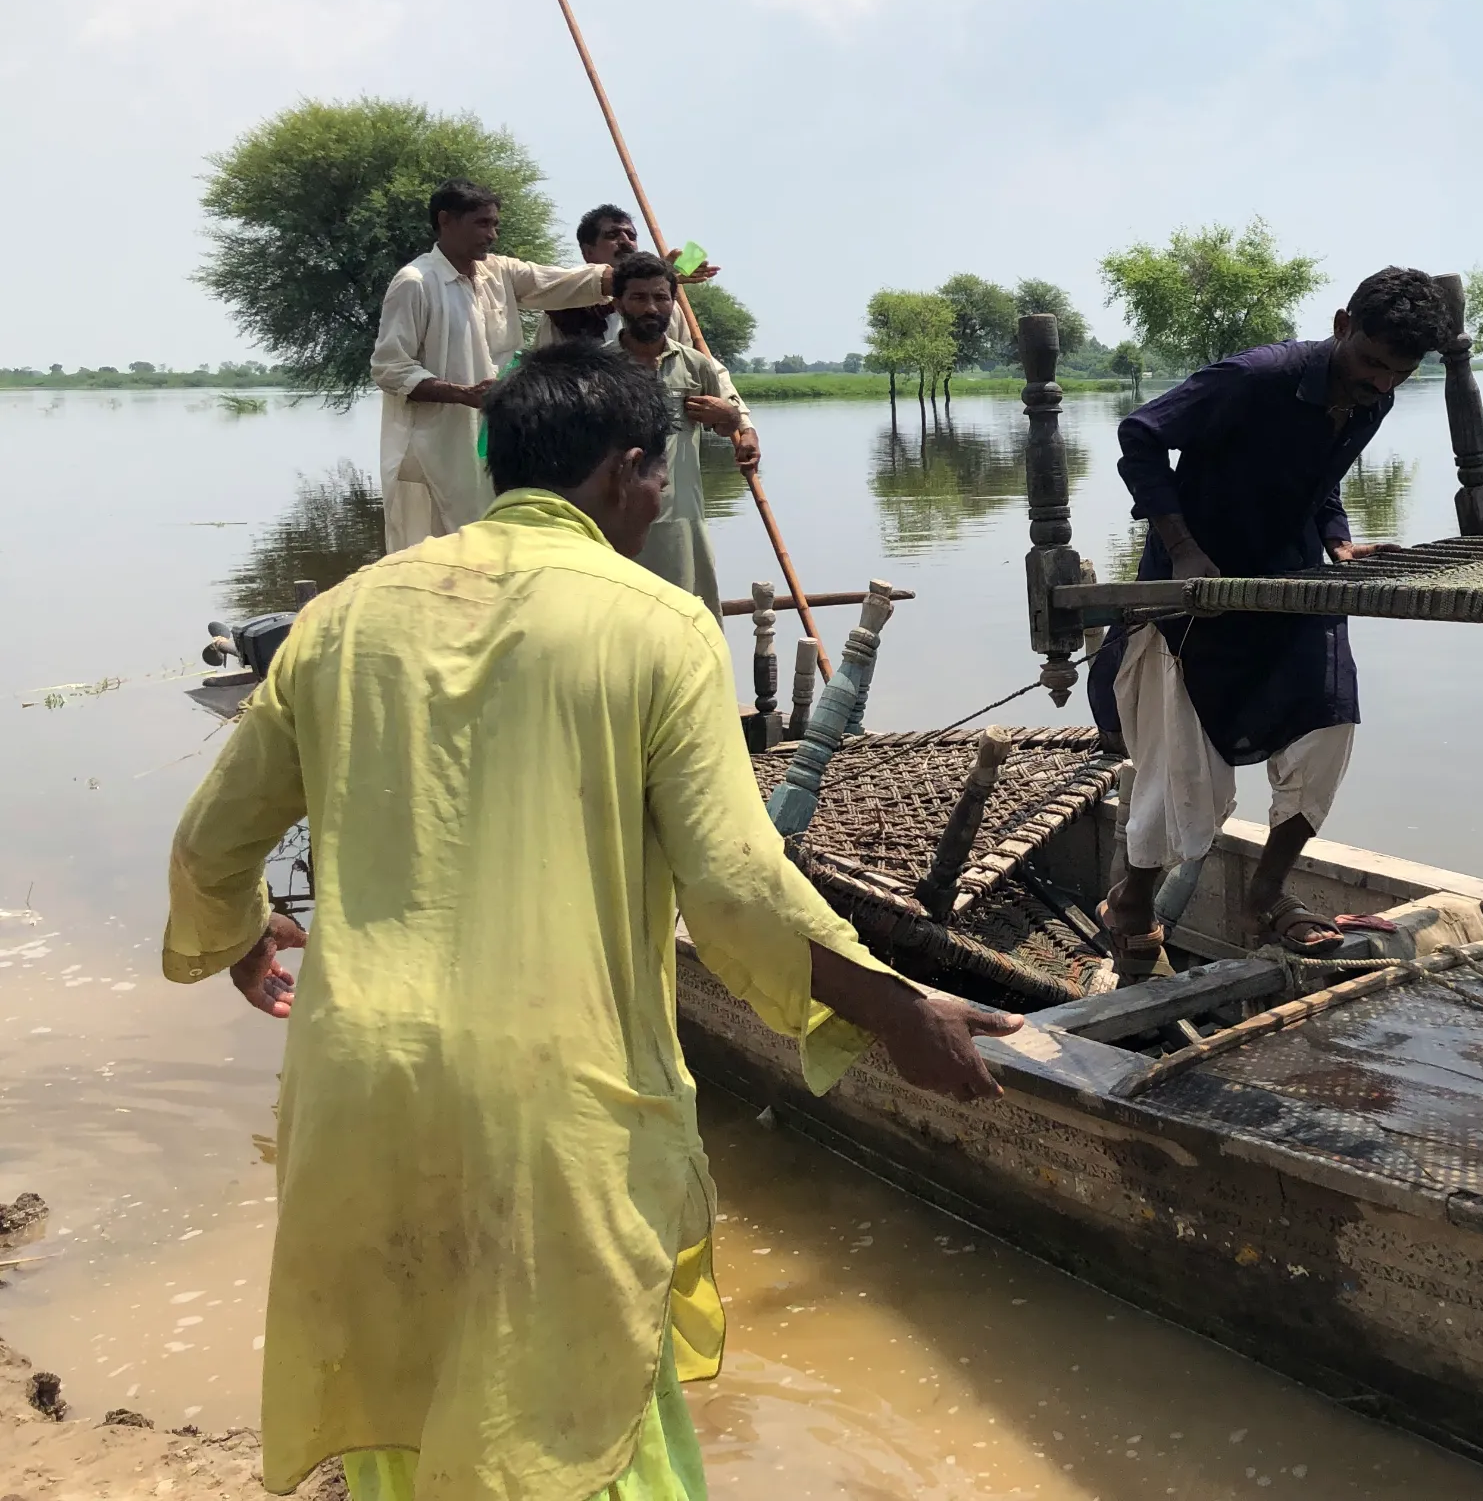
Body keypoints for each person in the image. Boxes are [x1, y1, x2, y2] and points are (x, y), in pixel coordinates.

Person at [163, 342, 1019, 1501]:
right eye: (663, 477)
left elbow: (215, 844)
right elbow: (732, 882)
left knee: (410, 1410)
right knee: (573, 1417)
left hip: (359, 1082)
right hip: (550, 1094)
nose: (663, 500)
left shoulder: (342, 619)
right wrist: (893, 1006)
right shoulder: (658, 624)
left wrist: (239, 932)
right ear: (625, 472)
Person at [1087, 266, 1448, 980]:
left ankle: (1264, 895)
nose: (1380, 384)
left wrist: (1339, 539)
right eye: (1372, 363)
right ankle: (1131, 901)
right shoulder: (1256, 377)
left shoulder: (1370, 400)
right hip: (1197, 595)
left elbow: (1320, 483)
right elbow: (1140, 435)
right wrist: (1185, 550)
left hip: (1292, 586)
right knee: (1182, 771)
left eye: (1397, 375)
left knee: (1327, 726)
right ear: (1343, 326)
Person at [371, 179, 616, 550]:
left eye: (495, 224)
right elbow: (389, 368)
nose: (492, 235)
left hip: (500, 436)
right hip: (440, 445)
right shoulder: (416, 282)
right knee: (441, 547)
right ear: (446, 221)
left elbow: (567, 282)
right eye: (482, 224)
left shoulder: (498, 272)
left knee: (501, 536)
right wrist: (462, 394)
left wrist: (654, 273)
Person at [614, 249, 759, 611]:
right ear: (618, 304)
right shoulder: (597, 370)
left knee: (690, 616)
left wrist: (733, 423)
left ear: (674, 304)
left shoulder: (695, 366)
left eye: (661, 297)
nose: (651, 308)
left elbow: (728, 425)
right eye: (639, 298)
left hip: (683, 521)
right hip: (616, 522)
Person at [540, 204, 720, 347]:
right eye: (612, 235)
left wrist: (727, 395)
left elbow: (687, 361)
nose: (626, 241)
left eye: (631, 236)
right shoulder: (566, 299)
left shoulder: (667, 306)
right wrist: (660, 271)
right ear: (588, 252)